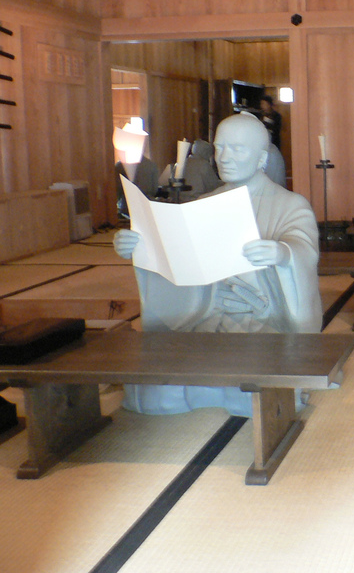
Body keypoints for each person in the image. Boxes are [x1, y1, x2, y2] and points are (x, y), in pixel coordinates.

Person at [113, 112, 322, 416]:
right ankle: (214, 387)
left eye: (238, 149)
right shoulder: (203, 203)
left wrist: (282, 254)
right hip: (206, 323)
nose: (225, 158)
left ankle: (228, 389)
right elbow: (176, 262)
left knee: (257, 393)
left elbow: (302, 248)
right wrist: (140, 247)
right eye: (220, 148)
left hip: (264, 324)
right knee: (150, 395)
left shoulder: (290, 205)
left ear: (262, 157)